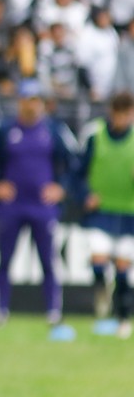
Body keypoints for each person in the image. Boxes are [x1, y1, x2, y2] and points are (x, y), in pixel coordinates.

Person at [0, 78, 79, 325]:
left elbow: (75, 163)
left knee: (48, 259)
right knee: (4, 258)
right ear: (19, 102)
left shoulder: (54, 130)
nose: (30, 105)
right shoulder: (4, 129)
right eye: (25, 100)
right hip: (12, 205)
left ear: (42, 103)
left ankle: (53, 310)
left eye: (34, 100)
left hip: (42, 205)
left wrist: (61, 188)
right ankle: (0, 309)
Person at [77, 92, 134, 338]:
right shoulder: (94, 134)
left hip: (129, 213)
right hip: (101, 211)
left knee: (123, 267)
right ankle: (102, 293)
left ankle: (123, 318)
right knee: (99, 259)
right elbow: (77, 171)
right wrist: (85, 194)